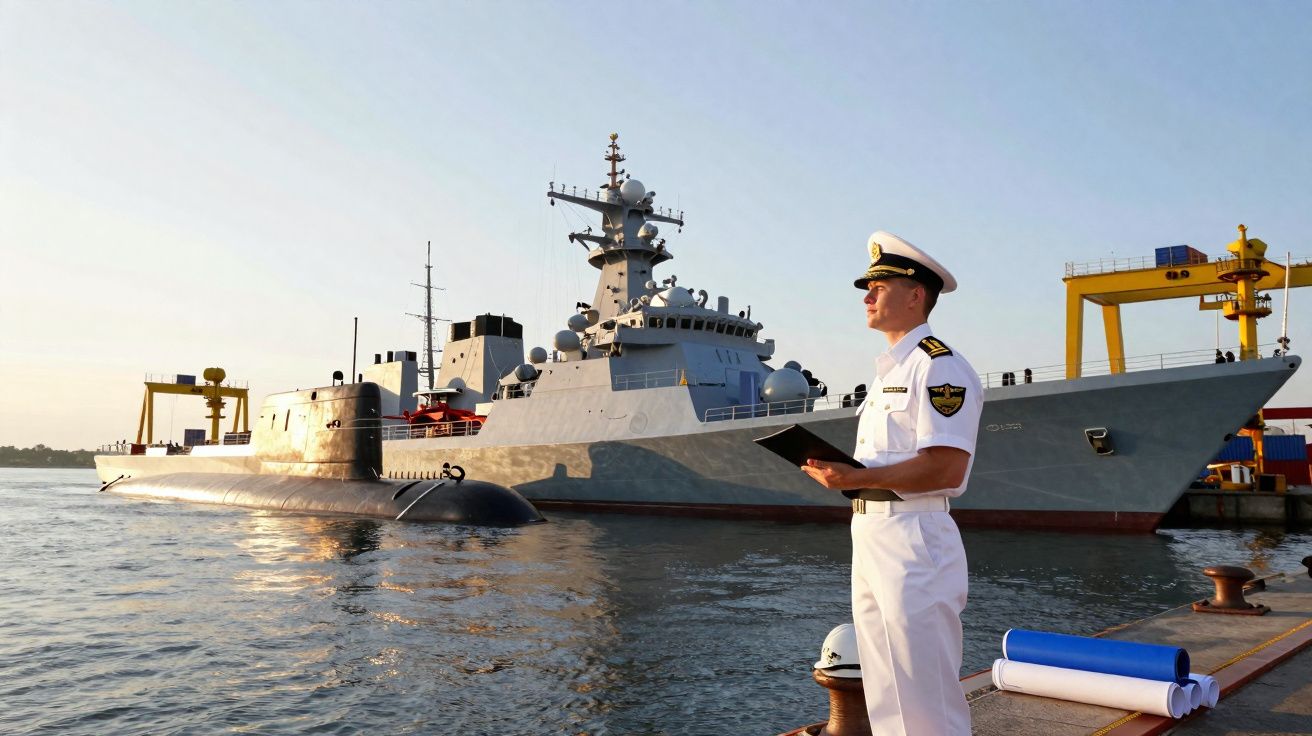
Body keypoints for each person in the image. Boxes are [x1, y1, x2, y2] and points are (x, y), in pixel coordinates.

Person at [801, 230, 983, 736]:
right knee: (884, 686)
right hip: (872, 535)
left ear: (915, 294)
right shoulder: (887, 374)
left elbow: (946, 468)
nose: (867, 296)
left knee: (923, 689)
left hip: (913, 539)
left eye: (878, 285)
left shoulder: (940, 366)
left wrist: (855, 477)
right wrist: (847, 478)